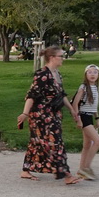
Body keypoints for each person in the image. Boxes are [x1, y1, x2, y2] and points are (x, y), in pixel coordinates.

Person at [18, 45, 82, 184]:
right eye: (61, 56)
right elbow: (31, 95)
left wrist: (72, 110)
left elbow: (61, 94)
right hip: (40, 116)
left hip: (53, 114)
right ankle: (66, 175)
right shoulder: (42, 74)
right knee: (55, 143)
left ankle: (25, 170)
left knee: (36, 142)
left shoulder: (57, 74)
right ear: (52, 57)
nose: (63, 59)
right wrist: (25, 113)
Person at [72, 64, 99, 180]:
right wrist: (78, 119)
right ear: (85, 75)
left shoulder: (95, 88)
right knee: (98, 142)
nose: (93, 74)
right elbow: (75, 104)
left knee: (87, 145)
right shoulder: (83, 87)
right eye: (90, 72)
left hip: (89, 116)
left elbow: (94, 106)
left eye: (95, 72)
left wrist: (97, 118)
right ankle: (86, 168)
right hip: (83, 117)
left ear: (98, 75)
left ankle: (81, 169)